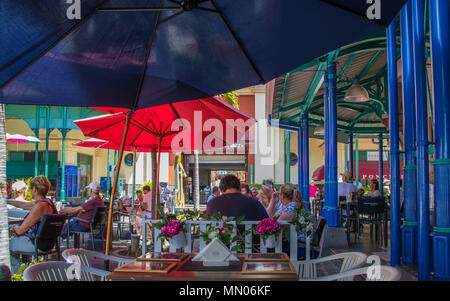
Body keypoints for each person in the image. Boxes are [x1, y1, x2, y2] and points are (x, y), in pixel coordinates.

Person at [9, 176, 58, 273]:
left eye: (31, 189)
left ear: (35, 189)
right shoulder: (48, 202)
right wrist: (6, 201)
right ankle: (24, 268)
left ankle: (19, 272)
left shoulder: (39, 206)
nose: (30, 191)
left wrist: (12, 227)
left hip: (38, 245)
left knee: (6, 246)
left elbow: (20, 230)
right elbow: (23, 205)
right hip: (49, 243)